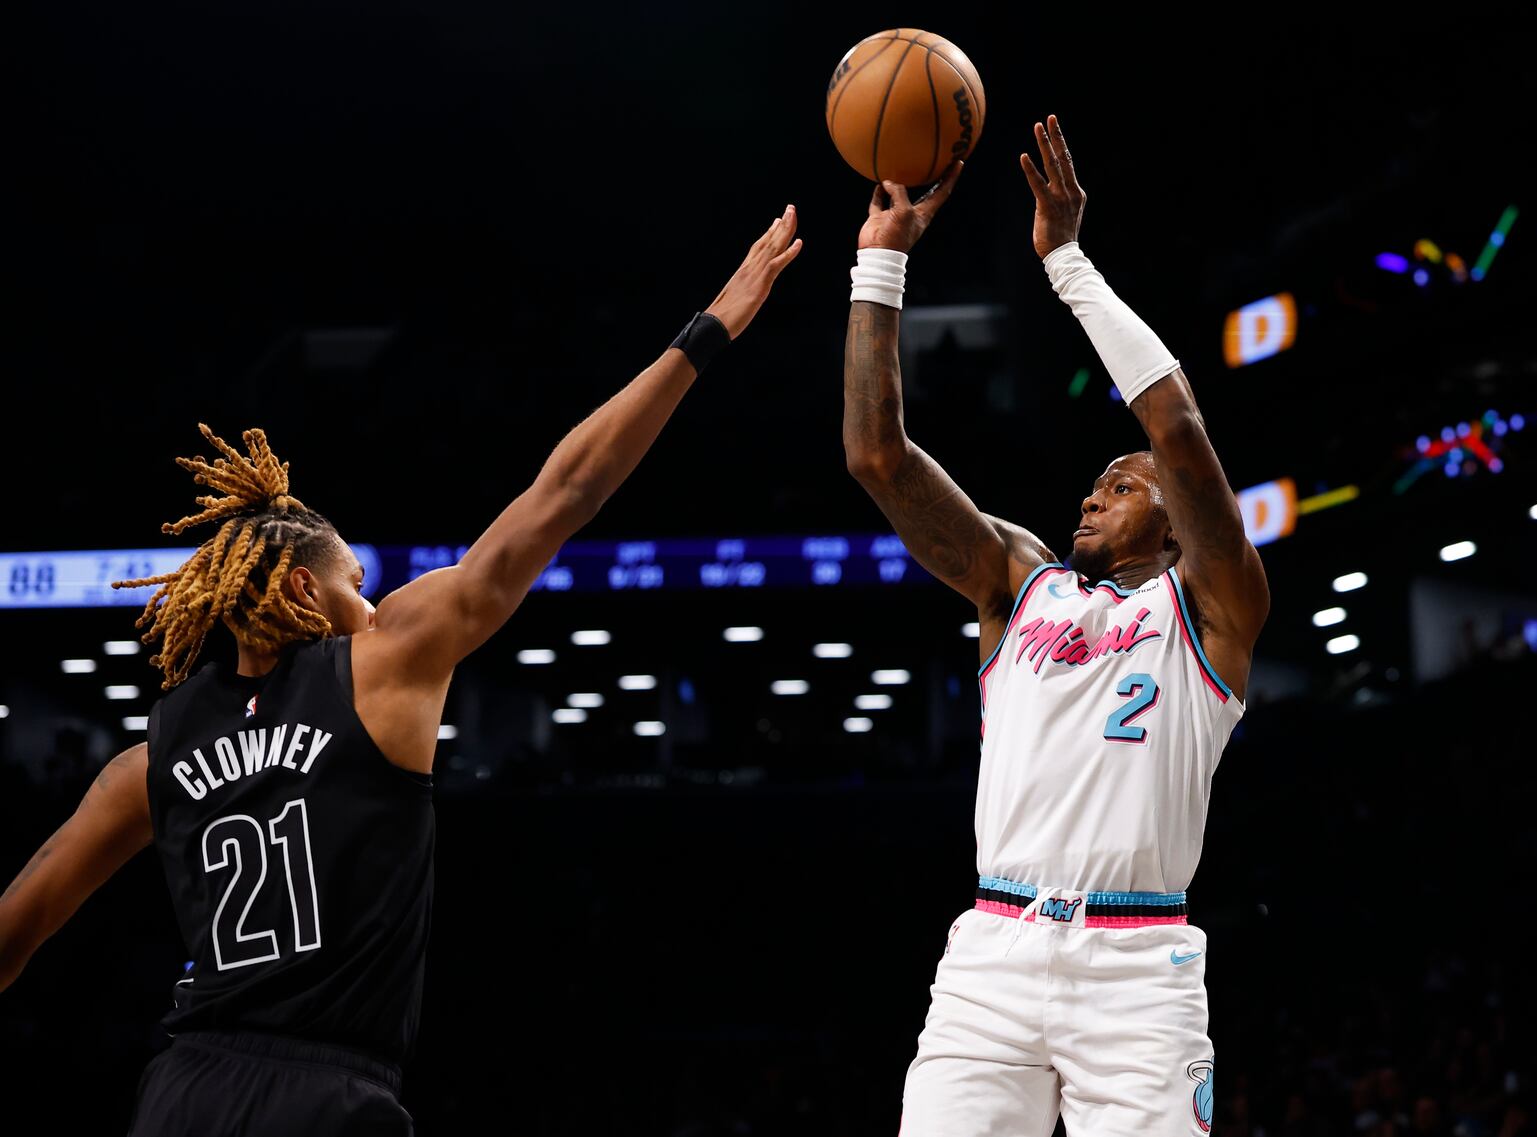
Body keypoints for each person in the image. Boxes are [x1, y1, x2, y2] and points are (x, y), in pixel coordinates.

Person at [0, 206, 802, 1135]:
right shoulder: (384, 662)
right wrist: (708, 332)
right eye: (358, 584)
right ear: (306, 590)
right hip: (328, 1096)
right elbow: (564, 492)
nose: (373, 603)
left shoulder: (151, 759)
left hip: (183, 1093)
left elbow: (17, 926)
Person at [842, 117, 1269, 1135]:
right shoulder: (1016, 584)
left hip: (1135, 968)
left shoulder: (1212, 609)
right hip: (992, 952)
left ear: (1176, 518)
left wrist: (1067, 265)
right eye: (1091, 482)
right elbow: (877, 459)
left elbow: (1176, 426)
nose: (1092, 496)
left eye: (1120, 485)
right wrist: (879, 270)